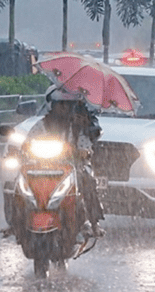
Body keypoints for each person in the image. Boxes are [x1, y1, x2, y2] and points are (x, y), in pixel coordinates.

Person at [32, 87, 105, 237]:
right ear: (52, 105)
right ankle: (16, 222)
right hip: (41, 169)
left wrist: (83, 151)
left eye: (68, 104)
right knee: (18, 184)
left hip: (72, 168)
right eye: (61, 104)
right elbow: (28, 143)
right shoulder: (41, 125)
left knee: (87, 180)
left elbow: (85, 144)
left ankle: (91, 221)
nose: (64, 108)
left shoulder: (77, 126)